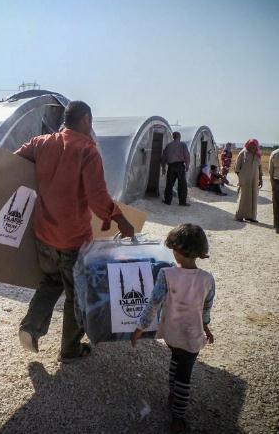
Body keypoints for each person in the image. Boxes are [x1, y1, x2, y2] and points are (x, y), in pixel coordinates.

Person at [15, 101, 134, 363]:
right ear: (87, 120)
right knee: (77, 294)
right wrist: (119, 218)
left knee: (51, 282)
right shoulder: (87, 150)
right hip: (73, 239)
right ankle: (69, 349)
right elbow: (97, 197)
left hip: (43, 233)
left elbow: (14, 161)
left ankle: (30, 327)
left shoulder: (41, 142)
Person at [131, 224, 215, 434]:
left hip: (171, 333)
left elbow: (153, 303)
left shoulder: (165, 274)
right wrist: (206, 327)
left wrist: (140, 328)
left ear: (177, 250)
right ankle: (178, 416)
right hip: (192, 337)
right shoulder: (207, 279)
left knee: (175, 361)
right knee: (184, 374)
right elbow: (206, 308)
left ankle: (173, 396)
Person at [234, 139, 263, 223]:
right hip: (245, 179)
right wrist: (241, 177)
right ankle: (239, 216)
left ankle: (250, 217)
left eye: (254, 145)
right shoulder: (243, 153)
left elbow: (259, 167)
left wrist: (260, 179)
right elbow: (236, 168)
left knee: (253, 197)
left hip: (255, 179)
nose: (252, 147)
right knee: (244, 197)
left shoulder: (258, 154)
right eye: (251, 145)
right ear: (248, 145)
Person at [161, 132, 191, 206]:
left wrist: (163, 168)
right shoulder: (182, 144)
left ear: (173, 137)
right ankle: (182, 202)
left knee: (169, 184)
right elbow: (187, 155)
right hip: (180, 166)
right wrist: (187, 165)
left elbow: (163, 158)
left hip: (171, 167)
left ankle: (167, 201)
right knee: (182, 185)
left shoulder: (168, 145)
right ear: (179, 136)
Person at [268, 147, 279, 234]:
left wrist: (272, 183)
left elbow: (270, 170)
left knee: (276, 204)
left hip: (276, 180)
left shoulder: (274, 153)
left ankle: (277, 226)